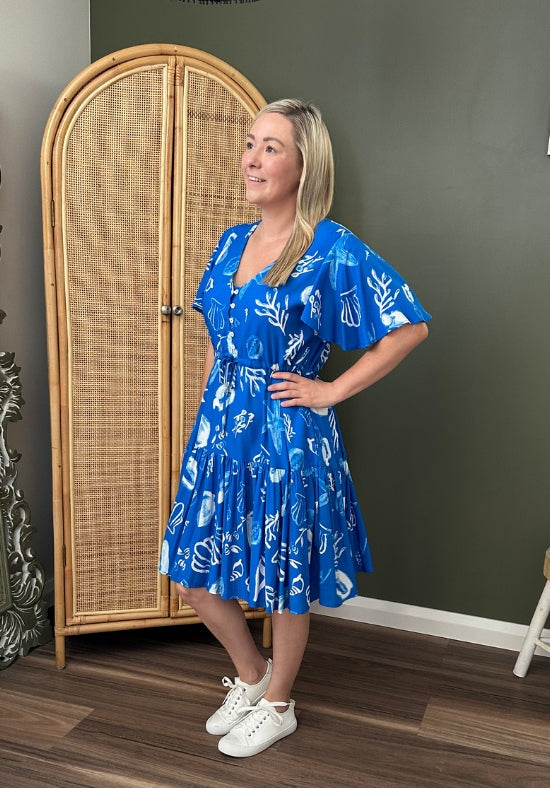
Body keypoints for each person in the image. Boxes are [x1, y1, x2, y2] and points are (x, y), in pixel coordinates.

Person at [159, 98, 431, 758]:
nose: (252, 158)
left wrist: (331, 389)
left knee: (283, 578)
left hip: (287, 438)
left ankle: (278, 704)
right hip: (222, 432)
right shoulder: (232, 242)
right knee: (191, 573)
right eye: (250, 143)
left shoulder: (329, 250)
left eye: (271, 147)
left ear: (305, 164)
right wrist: (204, 424)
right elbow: (215, 344)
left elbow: (409, 325)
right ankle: (253, 678)